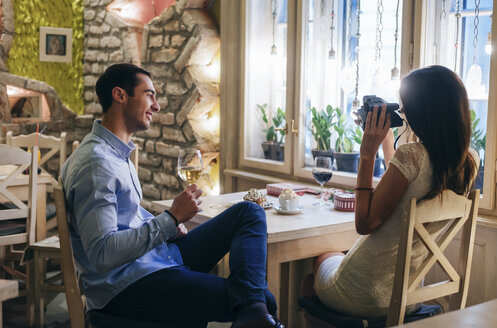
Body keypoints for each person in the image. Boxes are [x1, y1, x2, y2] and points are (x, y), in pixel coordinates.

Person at [61, 63, 283, 328]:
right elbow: (103, 253)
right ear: (120, 95)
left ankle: (252, 312)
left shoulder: (116, 154)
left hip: (151, 261)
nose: (156, 106)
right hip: (125, 287)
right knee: (261, 300)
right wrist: (169, 218)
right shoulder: (96, 164)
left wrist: (168, 227)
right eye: (149, 95)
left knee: (248, 212)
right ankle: (253, 311)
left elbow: (126, 219)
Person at [312, 65, 479, 317]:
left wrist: (367, 154)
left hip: (364, 293)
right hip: (408, 296)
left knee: (319, 262)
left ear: (424, 113)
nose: (404, 115)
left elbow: (364, 223)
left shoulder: (413, 155)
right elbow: (408, 182)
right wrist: (387, 141)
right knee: (328, 268)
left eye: (404, 109)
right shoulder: (469, 162)